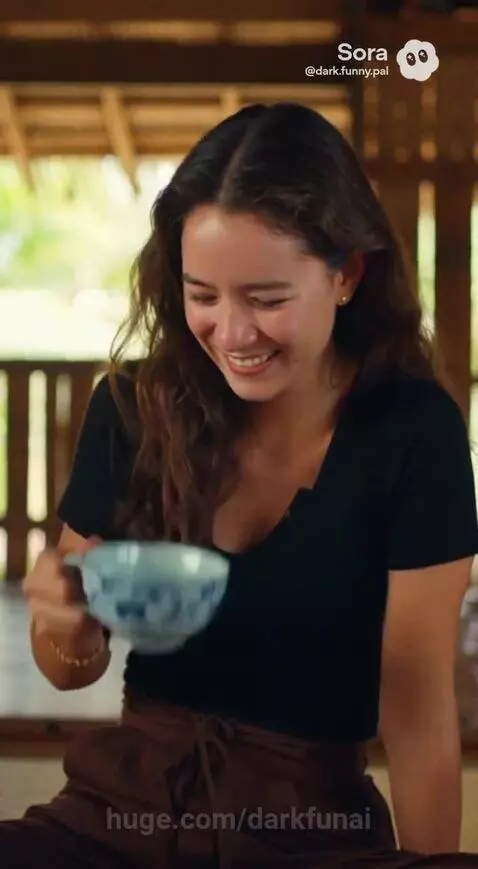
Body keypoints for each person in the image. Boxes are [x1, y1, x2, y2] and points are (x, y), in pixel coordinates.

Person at [1, 101, 478, 869]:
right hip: (114, 819)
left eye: (266, 298)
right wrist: (66, 616)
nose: (233, 332)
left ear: (347, 274)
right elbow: (68, 670)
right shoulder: (132, 411)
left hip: (310, 831)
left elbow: (417, 702)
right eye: (203, 296)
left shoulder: (411, 432)